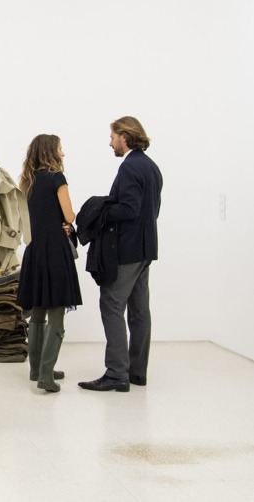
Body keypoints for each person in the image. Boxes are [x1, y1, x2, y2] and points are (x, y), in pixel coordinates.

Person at [78, 116, 163, 392]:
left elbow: (129, 208)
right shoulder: (151, 167)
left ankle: (116, 373)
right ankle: (137, 372)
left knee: (111, 304)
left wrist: (101, 210)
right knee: (139, 311)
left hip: (127, 250)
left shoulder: (129, 167)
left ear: (125, 136)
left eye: (113, 137)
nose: (111, 142)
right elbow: (152, 210)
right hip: (146, 249)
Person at [16, 135, 82, 393]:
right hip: (55, 251)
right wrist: (66, 223)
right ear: (50, 152)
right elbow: (69, 215)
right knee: (56, 313)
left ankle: (36, 369)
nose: (63, 153)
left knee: (38, 311)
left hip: (34, 250)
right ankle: (46, 375)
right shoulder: (57, 178)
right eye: (60, 148)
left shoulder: (27, 182)